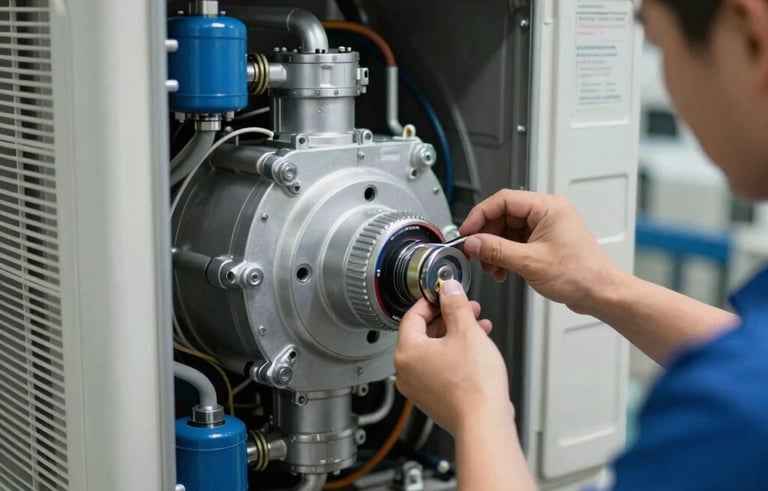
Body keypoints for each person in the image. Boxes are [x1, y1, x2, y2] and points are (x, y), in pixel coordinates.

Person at [394, 0, 768, 489]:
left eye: (658, 46)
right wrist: (599, 284)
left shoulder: (728, 420)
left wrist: (477, 408)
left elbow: (746, 384)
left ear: (750, 36)